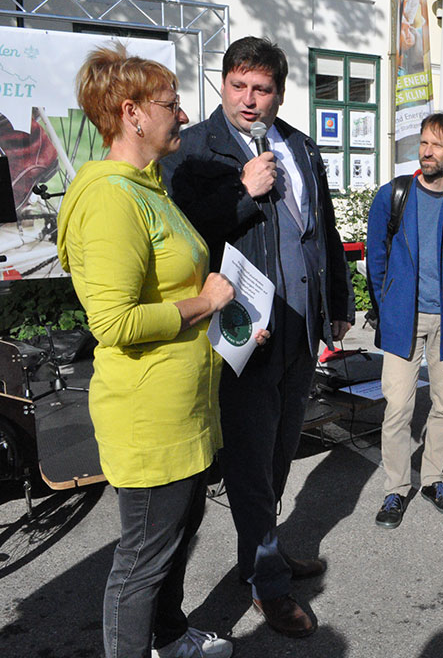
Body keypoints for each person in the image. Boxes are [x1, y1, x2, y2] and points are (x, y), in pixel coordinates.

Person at [56, 43, 254, 658]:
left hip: (185, 405)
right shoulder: (111, 197)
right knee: (142, 559)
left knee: (177, 538)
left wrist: (234, 317)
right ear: (132, 112)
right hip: (149, 416)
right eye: (172, 104)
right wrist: (207, 303)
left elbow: (174, 284)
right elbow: (114, 321)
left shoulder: (148, 187)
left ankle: (170, 637)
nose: (185, 115)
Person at [161, 36, 354, 638]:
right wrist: (241, 190)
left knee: (278, 457)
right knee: (248, 465)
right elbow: (186, 236)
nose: (249, 99)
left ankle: (260, 553)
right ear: (222, 84)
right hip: (244, 335)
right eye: (239, 86)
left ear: (279, 92)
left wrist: (338, 304)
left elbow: (322, 230)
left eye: (262, 89)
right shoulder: (192, 150)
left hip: (299, 329)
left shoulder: (297, 142)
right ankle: (268, 586)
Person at [366, 113, 443, 528]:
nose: (426, 151)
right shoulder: (394, 195)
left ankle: (435, 480)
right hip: (405, 319)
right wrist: (388, 308)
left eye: (436, 145)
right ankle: (395, 488)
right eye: (423, 143)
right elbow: (377, 260)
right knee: (398, 407)